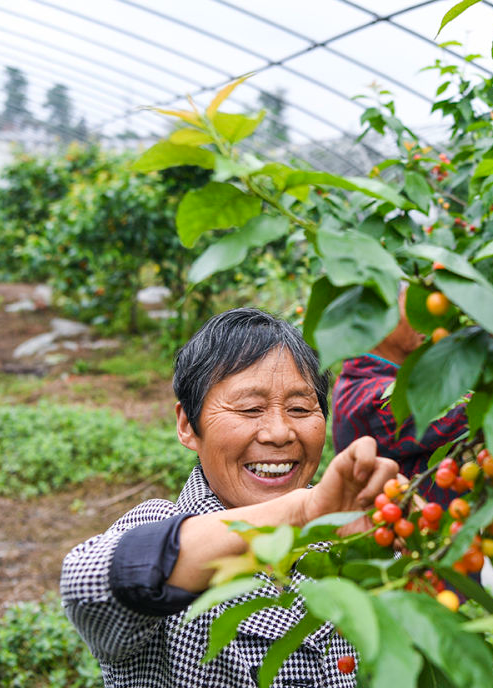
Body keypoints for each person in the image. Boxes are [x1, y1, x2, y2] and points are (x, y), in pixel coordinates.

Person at [61, 308, 398, 687]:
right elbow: (87, 586)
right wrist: (302, 510)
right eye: (250, 408)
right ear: (188, 425)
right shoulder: (160, 525)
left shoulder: (352, 537)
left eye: (301, 409)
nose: (279, 432)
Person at [332, 287, 467, 505]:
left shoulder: (379, 379)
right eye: (413, 308)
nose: (426, 319)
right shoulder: (369, 396)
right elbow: (459, 415)